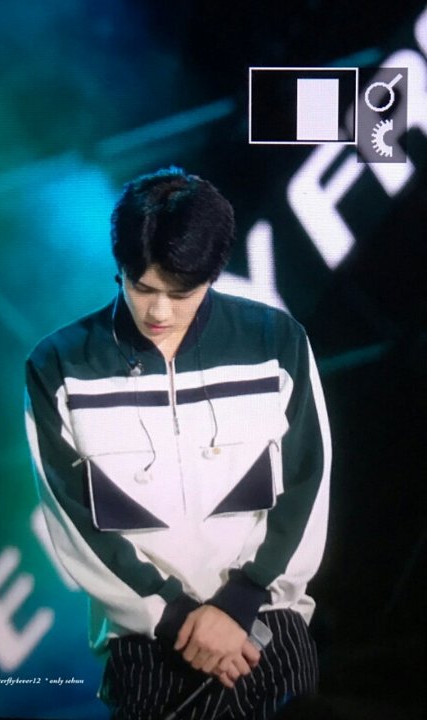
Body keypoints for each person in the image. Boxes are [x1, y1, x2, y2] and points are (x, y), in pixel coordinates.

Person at [25, 167, 331, 719]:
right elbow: (75, 521)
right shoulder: (59, 366)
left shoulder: (276, 340)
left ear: (212, 276)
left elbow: (308, 478)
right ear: (119, 270)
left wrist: (242, 599)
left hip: (267, 631)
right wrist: (174, 617)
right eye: (142, 288)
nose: (159, 312)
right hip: (149, 652)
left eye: (181, 293)